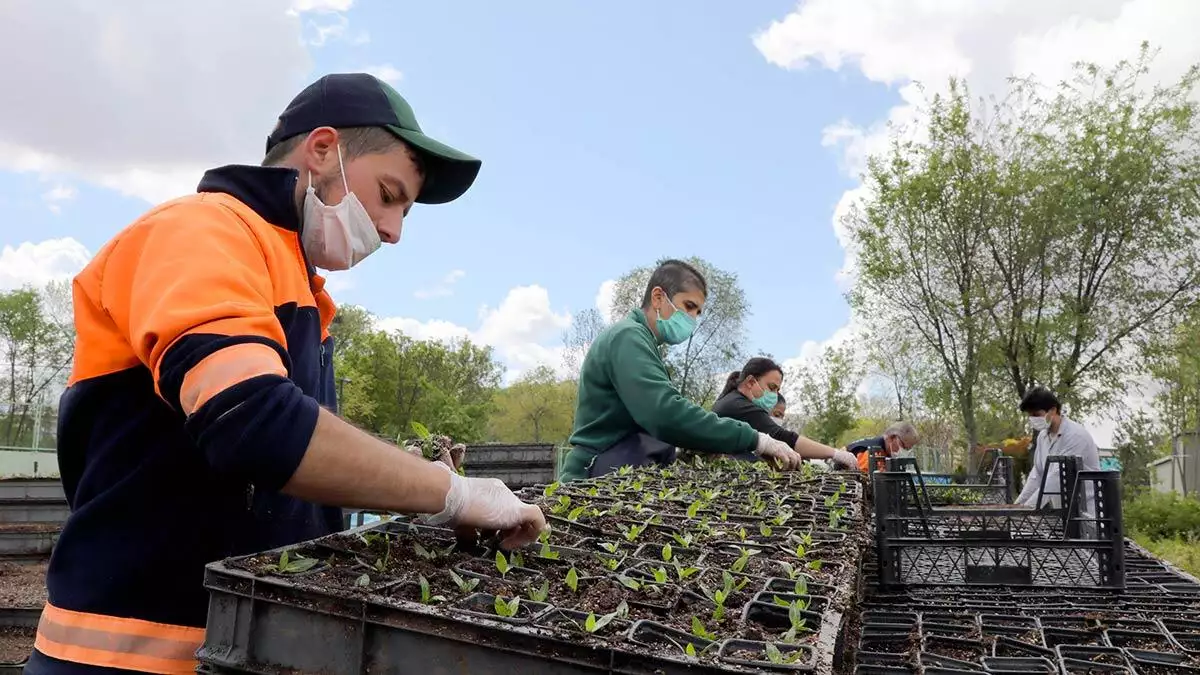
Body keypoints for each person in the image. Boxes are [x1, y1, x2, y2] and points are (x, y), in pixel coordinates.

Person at [30, 73, 547, 675]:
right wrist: (451, 494)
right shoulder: (201, 231)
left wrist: (387, 489)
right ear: (323, 150)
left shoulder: (296, 286)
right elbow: (254, 423)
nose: (393, 230)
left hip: (232, 643)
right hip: (127, 652)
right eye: (388, 194)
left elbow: (275, 477)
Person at [560, 260, 803, 481]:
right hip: (591, 475)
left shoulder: (643, 343)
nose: (692, 320)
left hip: (610, 469)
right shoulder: (628, 337)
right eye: (688, 307)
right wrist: (755, 438)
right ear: (658, 297)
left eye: (697, 313)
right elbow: (665, 413)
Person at [711, 357, 857, 469]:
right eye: (771, 387)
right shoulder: (739, 406)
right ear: (750, 382)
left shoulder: (732, 400)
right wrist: (834, 453)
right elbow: (783, 437)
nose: (774, 395)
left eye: (777, 390)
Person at [1014, 387, 1101, 510]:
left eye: (1036, 415)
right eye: (1030, 415)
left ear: (1053, 410)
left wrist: (1028, 508)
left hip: (1086, 514)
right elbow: (1037, 475)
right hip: (1063, 513)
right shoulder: (1043, 437)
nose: (1033, 419)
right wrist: (1018, 505)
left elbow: (1057, 478)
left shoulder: (1075, 436)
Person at [846, 422, 920, 473]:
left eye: (908, 449)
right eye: (903, 446)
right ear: (892, 437)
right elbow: (863, 480)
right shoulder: (871, 453)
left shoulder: (885, 452)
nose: (904, 451)